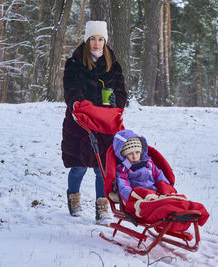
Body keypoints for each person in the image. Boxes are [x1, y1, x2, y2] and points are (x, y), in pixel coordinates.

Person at [61, 20, 127, 224]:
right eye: (92, 39)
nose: (96, 43)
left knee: (102, 168)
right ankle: (74, 199)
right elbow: (71, 91)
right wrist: (82, 107)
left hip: (105, 124)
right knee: (79, 165)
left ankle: (102, 207)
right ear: (87, 40)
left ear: (105, 41)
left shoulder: (112, 65)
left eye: (100, 39)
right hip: (80, 123)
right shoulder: (74, 64)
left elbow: (122, 92)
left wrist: (116, 101)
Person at [112, 129, 209, 230]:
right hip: (139, 198)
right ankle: (171, 212)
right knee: (159, 206)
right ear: (123, 154)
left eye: (137, 152)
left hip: (156, 195)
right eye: (130, 153)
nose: (135, 156)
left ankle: (188, 208)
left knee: (174, 200)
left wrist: (167, 190)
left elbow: (160, 177)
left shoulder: (149, 164)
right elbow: (123, 186)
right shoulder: (123, 169)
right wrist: (132, 196)